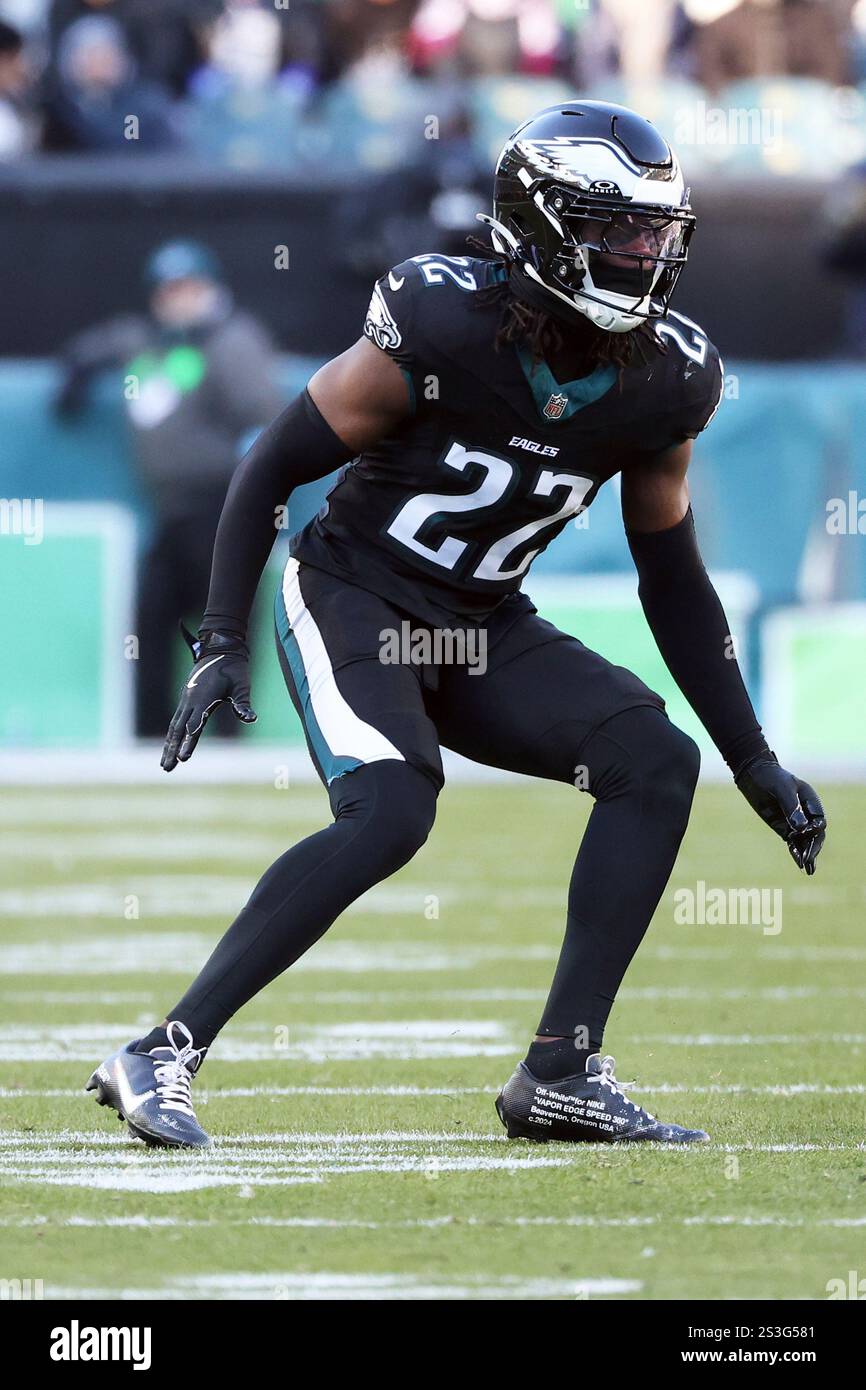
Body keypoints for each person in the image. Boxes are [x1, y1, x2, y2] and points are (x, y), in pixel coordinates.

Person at [86, 100, 826, 1149]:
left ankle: (560, 1071)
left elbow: (671, 574)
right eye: (617, 229)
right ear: (542, 224)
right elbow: (270, 467)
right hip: (353, 589)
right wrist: (217, 638)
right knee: (390, 811)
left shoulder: (668, 377)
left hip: (477, 619)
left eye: (656, 231)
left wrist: (747, 755)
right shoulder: (439, 322)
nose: (643, 252)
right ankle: (161, 1048)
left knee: (654, 760)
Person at [56, 238, 282, 736]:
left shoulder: (232, 341)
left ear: (210, 288)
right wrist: (77, 371)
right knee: (150, 621)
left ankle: (226, 739)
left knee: (223, 627)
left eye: (188, 287)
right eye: (169, 289)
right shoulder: (148, 341)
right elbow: (103, 343)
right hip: (170, 510)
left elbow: (263, 422)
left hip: (221, 510)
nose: (178, 298)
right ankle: (152, 736)